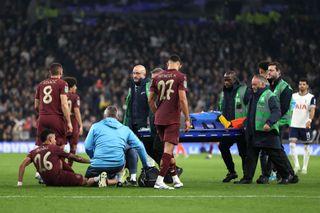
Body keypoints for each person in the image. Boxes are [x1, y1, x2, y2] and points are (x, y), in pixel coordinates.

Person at [235, 75, 290, 184]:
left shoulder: (269, 95)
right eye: (252, 84)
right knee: (250, 157)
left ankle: (285, 176)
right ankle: (247, 178)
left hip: (267, 132)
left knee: (275, 157)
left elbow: (277, 112)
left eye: (255, 84)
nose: (252, 86)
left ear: (262, 84)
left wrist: (269, 123)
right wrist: (245, 124)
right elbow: (251, 113)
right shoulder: (253, 96)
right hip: (253, 132)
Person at [149, 55, 191, 189]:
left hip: (159, 119)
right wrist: (188, 119)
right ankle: (159, 181)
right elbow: (183, 99)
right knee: (168, 150)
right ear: (179, 64)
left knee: (169, 151)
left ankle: (175, 179)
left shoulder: (156, 77)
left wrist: (157, 113)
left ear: (168, 63)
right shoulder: (181, 76)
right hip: (172, 119)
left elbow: (150, 100)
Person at [84, 105, 150, 187]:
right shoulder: (125, 129)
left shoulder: (95, 127)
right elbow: (140, 146)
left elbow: (87, 147)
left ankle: (97, 178)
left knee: (86, 182)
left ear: (105, 116)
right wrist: (146, 166)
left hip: (97, 165)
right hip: (117, 166)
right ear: (117, 117)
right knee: (130, 150)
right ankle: (119, 179)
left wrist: (93, 157)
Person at [17, 129, 100, 187]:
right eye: (54, 138)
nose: (55, 141)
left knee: (59, 160)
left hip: (47, 182)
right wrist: (90, 161)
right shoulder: (54, 148)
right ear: (49, 139)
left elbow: (22, 165)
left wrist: (19, 183)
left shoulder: (33, 152)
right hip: (59, 178)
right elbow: (76, 158)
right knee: (85, 180)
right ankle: (100, 178)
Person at [265, 61, 298, 183]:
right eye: (268, 70)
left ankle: (288, 174)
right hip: (272, 121)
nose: (269, 72)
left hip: (280, 121)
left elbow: (283, 109)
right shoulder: (270, 85)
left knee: (276, 149)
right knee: (274, 148)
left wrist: (272, 121)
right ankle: (284, 174)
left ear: (278, 72)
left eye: (272, 70)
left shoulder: (285, 87)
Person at [217, 71, 248, 182]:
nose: (226, 82)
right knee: (222, 147)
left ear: (235, 80)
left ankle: (246, 176)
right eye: (225, 79)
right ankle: (232, 172)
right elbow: (221, 108)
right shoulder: (223, 92)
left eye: (228, 79)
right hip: (228, 128)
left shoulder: (244, 90)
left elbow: (249, 108)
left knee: (243, 152)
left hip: (240, 128)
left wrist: (245, 123)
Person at [123, 65, 151, 184]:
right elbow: (128, 107)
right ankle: (131, 176)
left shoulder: (148, 85)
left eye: (138, 73)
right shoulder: (132, 86)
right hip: (132, 125)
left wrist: (151, 123)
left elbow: (151, 104)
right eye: (134, 73)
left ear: (144, 74)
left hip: (145, 125)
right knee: (130, 149)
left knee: (148, 151)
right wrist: (124, 125)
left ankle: (150, 176)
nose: (135, 75)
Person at [35, 63, 72, 149]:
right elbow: (64, 104)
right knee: (60, 145)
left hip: (42, 118)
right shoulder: (63, 84)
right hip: (56, 118)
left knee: (42, 147)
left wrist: (42, 114)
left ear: (50, 72)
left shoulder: (41, 84)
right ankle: (57, 162)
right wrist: (69, 122)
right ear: (61, 72)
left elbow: (36, 105)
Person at [289, 79, 316, 174]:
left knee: (306, 146)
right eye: (300, 84)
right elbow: (291, 109)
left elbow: (312, 110)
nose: (301, 86)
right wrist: (289, 119)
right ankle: (296, 165)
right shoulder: (293, 96)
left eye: (304, 84)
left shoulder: (311, 97)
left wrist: (309, 120)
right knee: (292, 144)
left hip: (305, 125)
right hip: (294, 124)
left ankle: (304, 167)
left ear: (307, 86)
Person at [64, 77, 83, 167]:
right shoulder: (75, 97)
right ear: (71, 87)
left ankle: (60, 166)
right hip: (73, 123)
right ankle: (69, 167)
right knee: (73, 147)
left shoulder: (61, 95)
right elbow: (77, 111)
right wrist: (81, 125)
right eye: (75, 86)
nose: (76, 88)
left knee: (60, 147)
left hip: (63, 122)